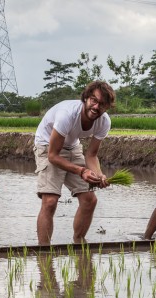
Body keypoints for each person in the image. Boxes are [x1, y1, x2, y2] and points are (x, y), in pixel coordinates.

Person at [34, 80, 116, 245]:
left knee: (90, 200)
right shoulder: (68, 114)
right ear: (86, 98)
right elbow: (53, 156)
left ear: (107, 107)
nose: (96, 107)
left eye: (102, 104)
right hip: (47, 146)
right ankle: (44, 253)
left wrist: (99, 176)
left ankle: (79, 244)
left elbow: (91, 155)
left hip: (73, 147)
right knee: (50, 201)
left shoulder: (104, 122)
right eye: (94, 100)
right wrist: (81, 171)